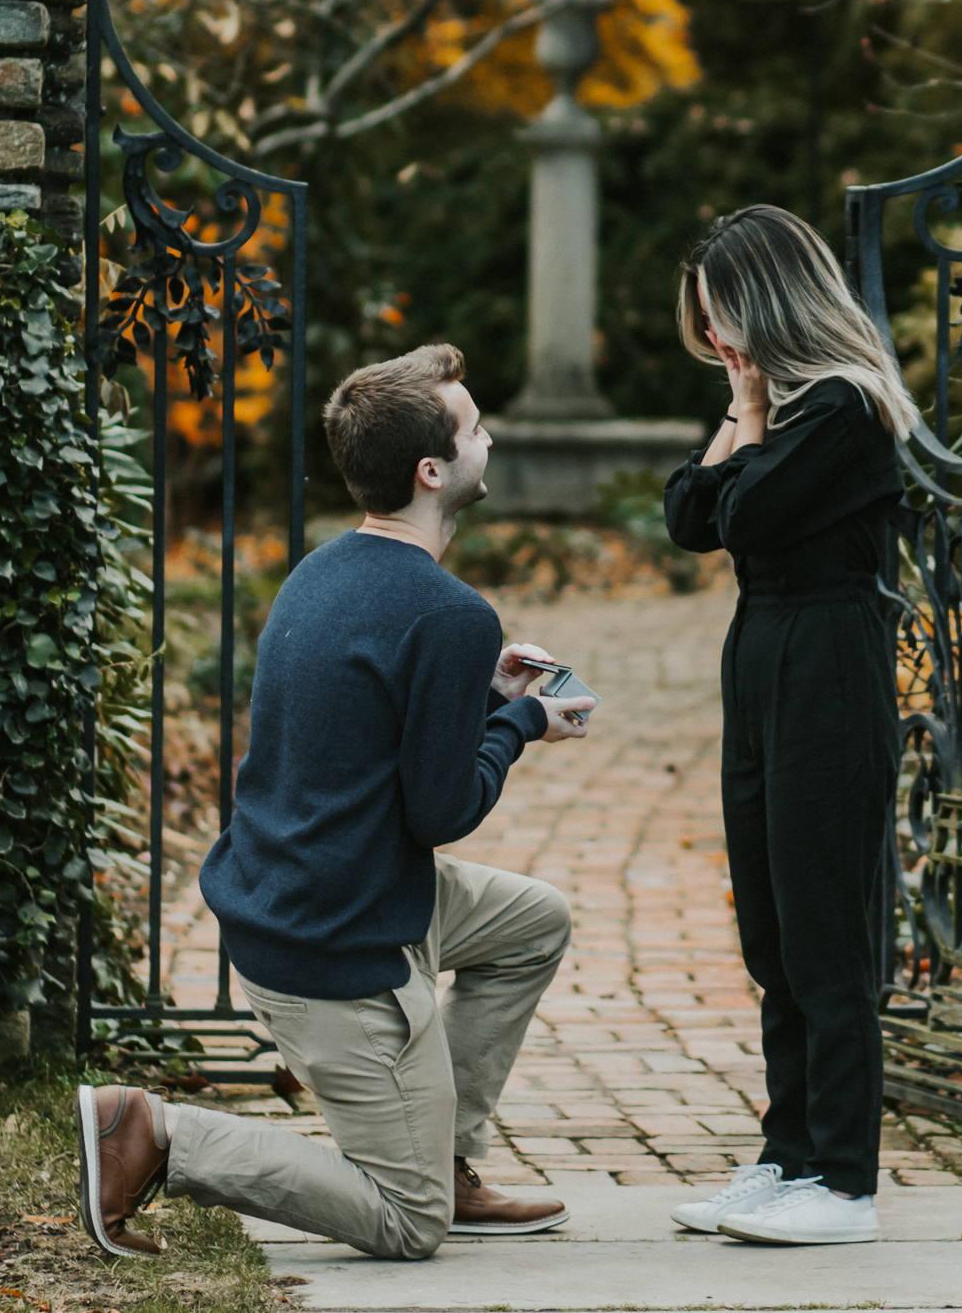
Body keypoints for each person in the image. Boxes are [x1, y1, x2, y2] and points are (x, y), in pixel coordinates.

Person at [77, 343, 593, 1263]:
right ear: (434, 470)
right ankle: (154, 1133)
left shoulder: (321, 572)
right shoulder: (449, 612)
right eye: (474, 426)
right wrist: (522, 726)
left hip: (306, 896)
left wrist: (483, 696)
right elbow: (441, 808)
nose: (490, 434)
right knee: (407, 1222)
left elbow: (359, 742)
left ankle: (445, 1154)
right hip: (336, 941)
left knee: (533, 922)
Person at [660, 205, 915, 1247]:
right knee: (769, 927)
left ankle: (843, 1178)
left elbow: (748, 514)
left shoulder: (847, 409)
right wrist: (742, 402)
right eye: (711, 329)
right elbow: (687, 515)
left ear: (770, 304)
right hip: (761, 655)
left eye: (728, 321)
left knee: (822, 927)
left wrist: (748, 414)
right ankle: (787, 1154)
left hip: (824, 662)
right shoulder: (778, 406)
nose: (722, 343)